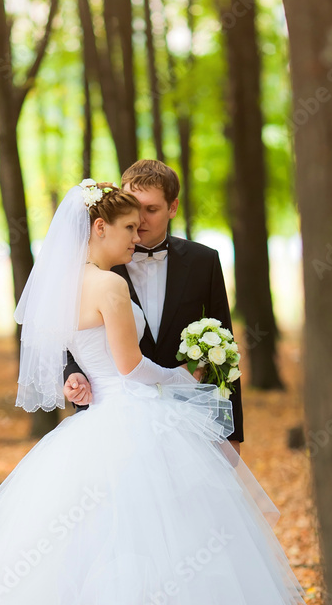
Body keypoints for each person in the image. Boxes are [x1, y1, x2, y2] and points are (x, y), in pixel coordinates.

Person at [0, 180, 323, 605]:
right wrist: (184, 382)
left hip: (99, 423)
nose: (134, 234)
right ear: (99, 228)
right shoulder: (112, 287)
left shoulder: (62, 283)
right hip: (136, 416)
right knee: (159, 549)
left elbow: (79, 351)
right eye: (125, 227)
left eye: (142, 221)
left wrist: (89, 379)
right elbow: (132, 366)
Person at [63, 159, 244, 453]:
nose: (140, 221)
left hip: (189, 425)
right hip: (117, 426)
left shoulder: (203, 263)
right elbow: (66, 340)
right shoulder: (100, 273)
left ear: (172, 208)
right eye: (133, 209)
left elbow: (223, 352)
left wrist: (230, 431)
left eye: (151, 209)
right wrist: (71, 373)